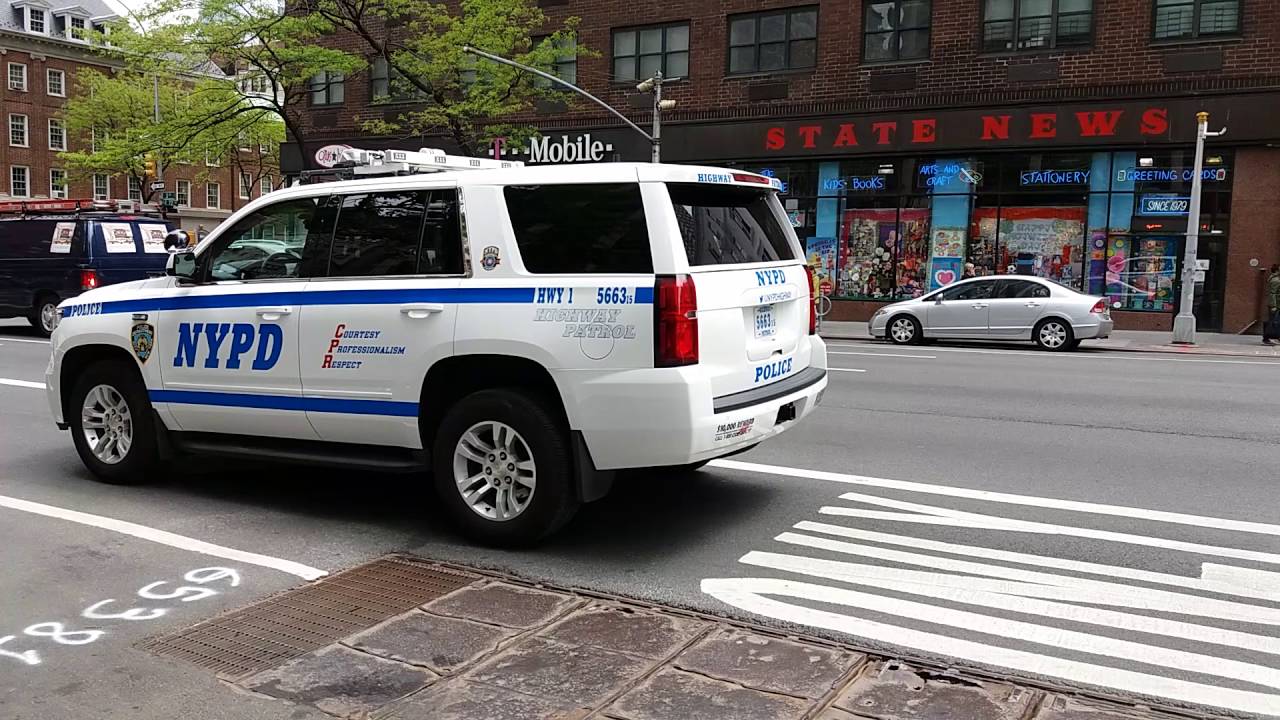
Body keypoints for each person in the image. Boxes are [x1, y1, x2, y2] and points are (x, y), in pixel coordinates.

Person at [1265, 264, 1280, 346]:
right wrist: (1273, 306)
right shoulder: (1275, 280)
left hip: (1277, 304)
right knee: (1273, 322)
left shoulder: (1276, 279)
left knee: (1275, 321)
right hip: (1276, 305)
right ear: (1277, 270)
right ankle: (1267, 338)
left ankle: (1270, 338)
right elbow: (1272, 293)